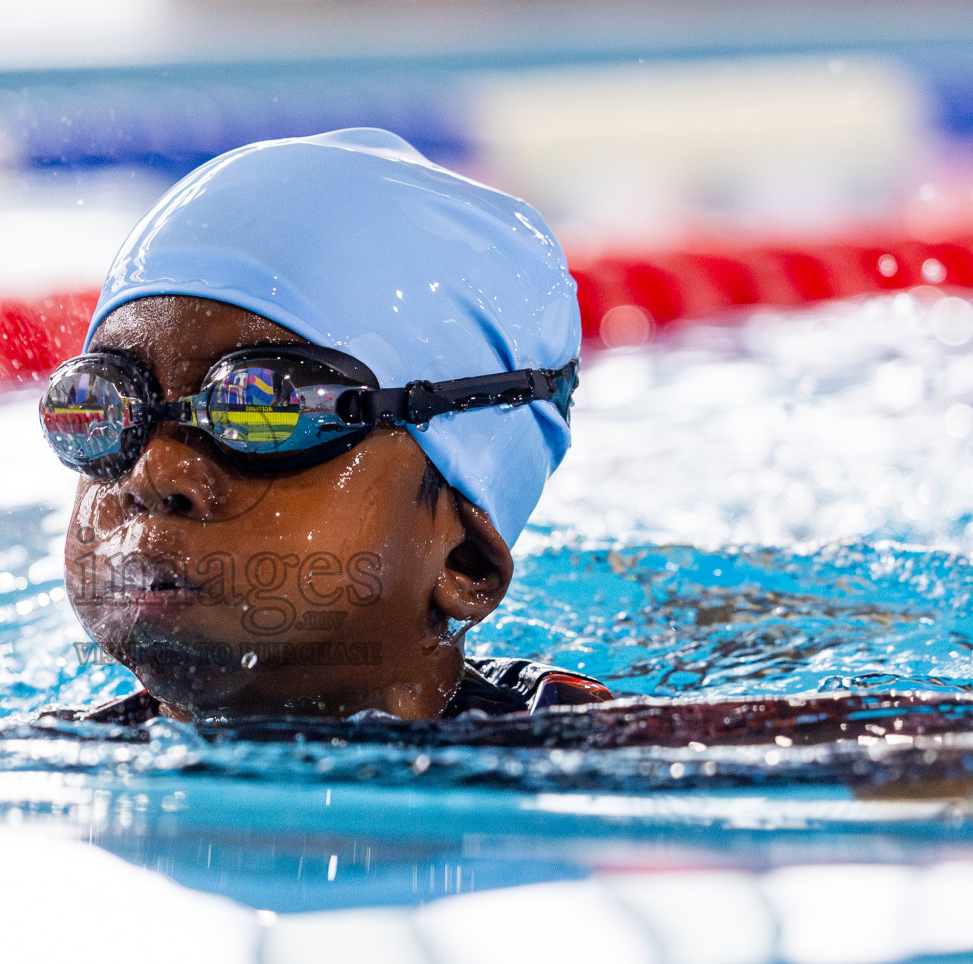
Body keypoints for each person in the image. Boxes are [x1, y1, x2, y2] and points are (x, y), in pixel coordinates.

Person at [38, 128, 610, 723]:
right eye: (107, 404)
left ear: (464, 561)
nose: (153, 472)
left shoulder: (622, 766)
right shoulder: (26, 764)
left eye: (263, 412)